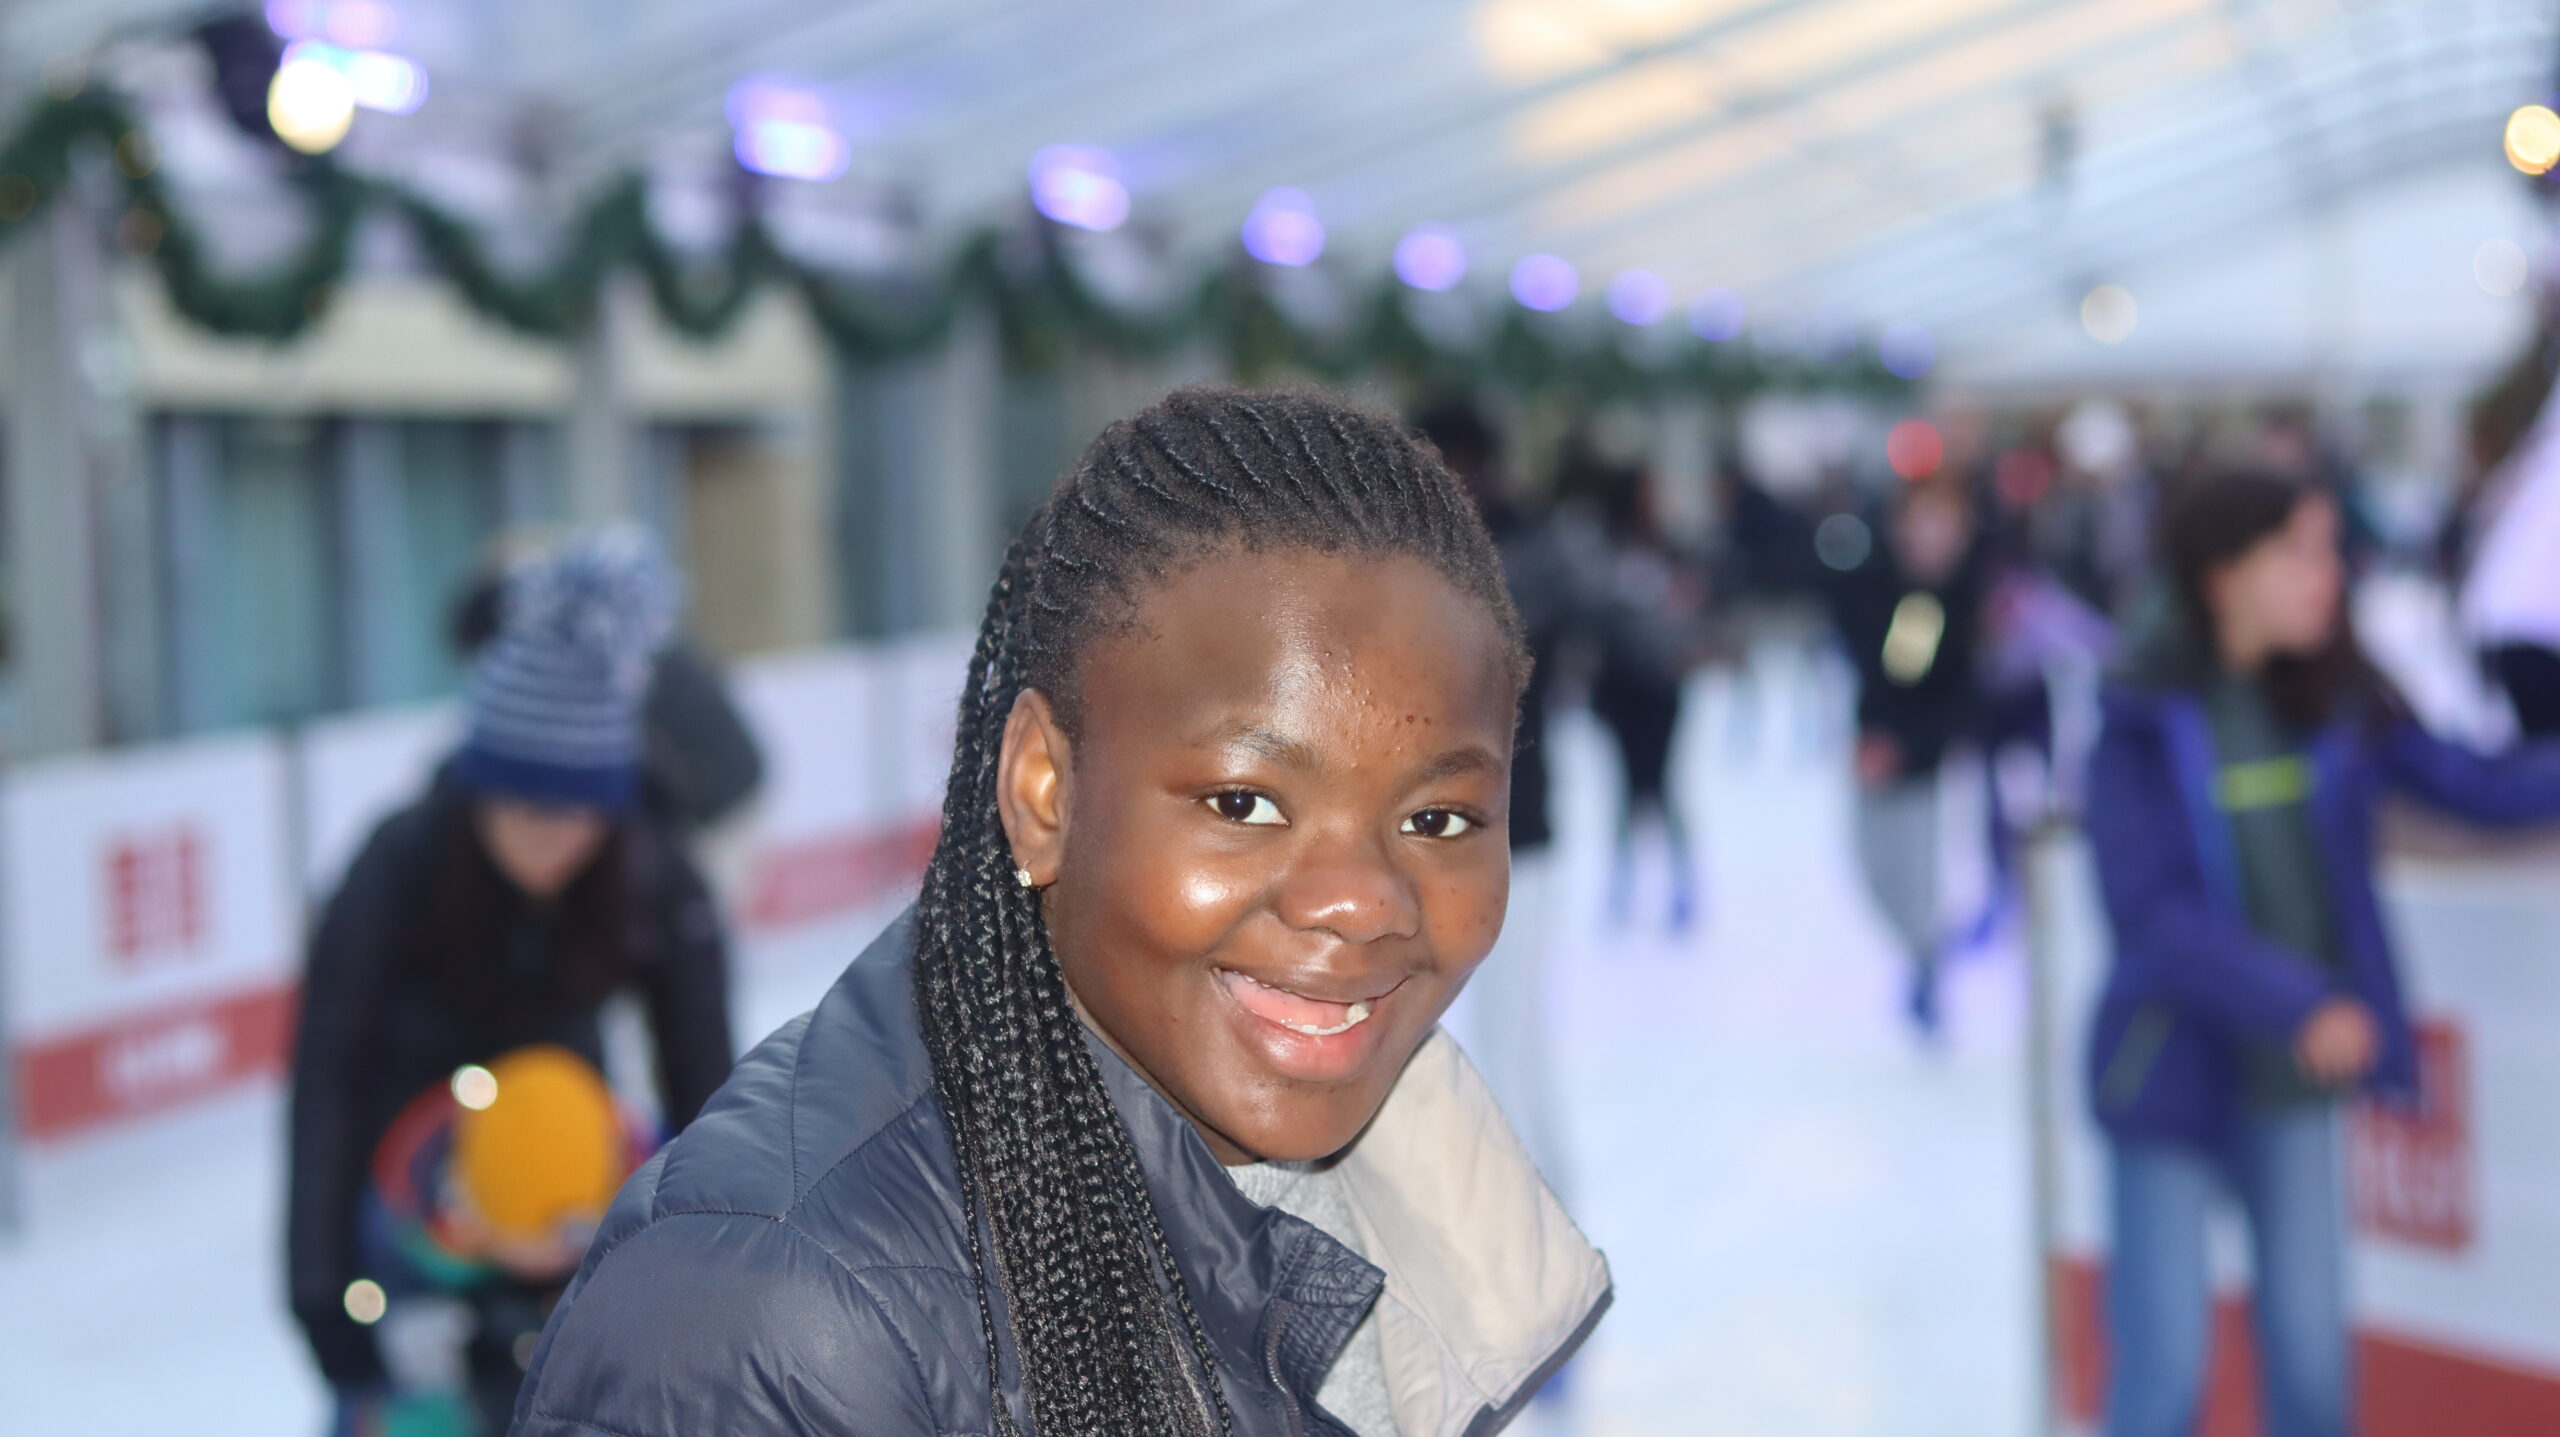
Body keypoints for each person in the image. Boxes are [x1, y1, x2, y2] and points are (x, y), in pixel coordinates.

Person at [514, 387, 1612, 1437]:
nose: (1362, 902)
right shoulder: (770, 1321)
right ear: (1044, 791)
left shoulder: (1381, 1200)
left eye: (1437, 819)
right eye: (1244, 803)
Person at [2085, 470, 2560, 1437]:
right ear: (2224, 574)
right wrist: (2300, 1001)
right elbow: (2151, 915)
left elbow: (2478, 786)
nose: (2329, 575)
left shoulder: (2336, 703)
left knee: (2310, 1366)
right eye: (2300, 552)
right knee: (2165, 1365)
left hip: (2295, 1091)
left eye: (2331, 551)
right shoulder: (2142, 717)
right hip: (2166, 1075)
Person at [288, 533, 735, 1437]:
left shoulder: (649, 872)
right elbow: (327, 1069)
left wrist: (710, 1260)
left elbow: (704, 1072)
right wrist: (323, 1289)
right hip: (410, 1210)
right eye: (527, 805)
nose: (553, 837)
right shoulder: (398, 865)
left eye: (581, 810)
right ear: (481, 790)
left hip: (561, 1182)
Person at [1820, 474, 1987, 1035]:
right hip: (1871, 757)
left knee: (1914, 881)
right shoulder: (1882, 584)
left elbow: (1952, 698)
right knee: (1872, 871)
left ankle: (1926, 970)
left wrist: (1906, 747)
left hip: (1917, 769)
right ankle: (1925, 956)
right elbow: (1880, 670)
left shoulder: (1958, 599)